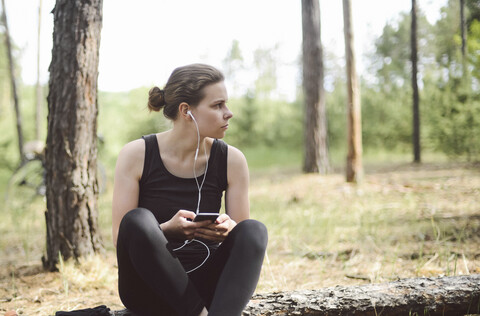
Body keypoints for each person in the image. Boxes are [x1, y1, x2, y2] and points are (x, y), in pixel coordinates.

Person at [112, 63, 268, 316]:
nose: (228, 113)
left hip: (208, 283)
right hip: (148, 287)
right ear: (187, 111)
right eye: (218, 105)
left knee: (253, 230)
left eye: (225, 104)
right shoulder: (136, 154)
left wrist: (230, 229)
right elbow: (122, 236)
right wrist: (166, 232)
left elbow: (241, 240)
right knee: (138, 220)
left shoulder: (232, 160)